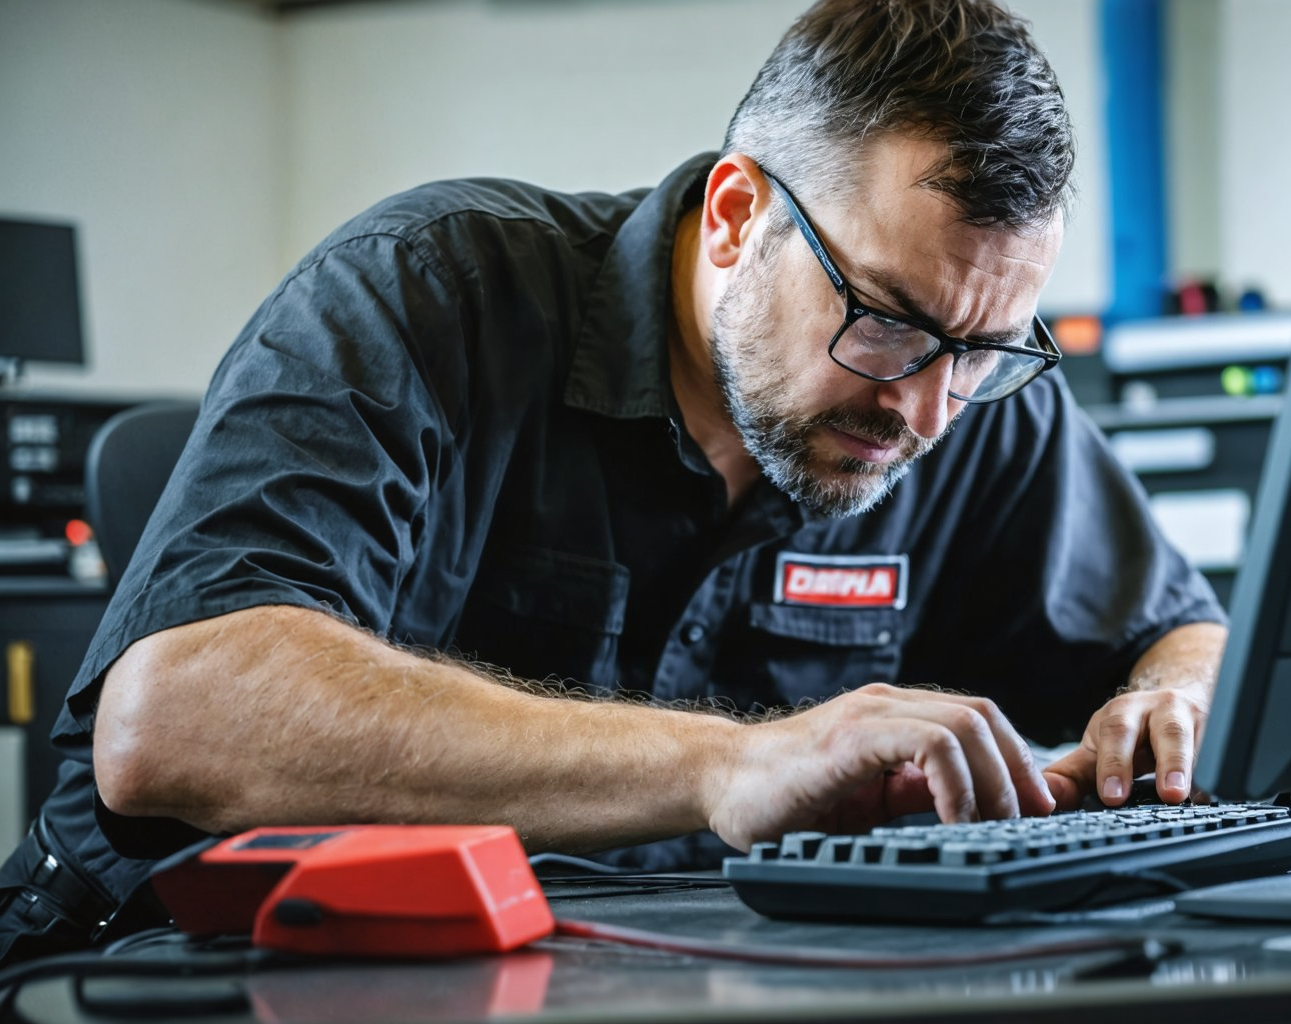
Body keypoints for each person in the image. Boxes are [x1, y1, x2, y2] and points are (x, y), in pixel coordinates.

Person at [0, 0, 1225, 960]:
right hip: (192, 972)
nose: (922, 407)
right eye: (888, 324)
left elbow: (1186, 632)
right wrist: (727, 764)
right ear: (739, 215)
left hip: (660, 974)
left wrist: (1169, 705)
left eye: (980, 350)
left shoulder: (968, 389)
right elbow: (172, 717)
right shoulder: (427, 293)